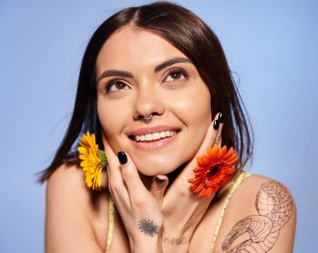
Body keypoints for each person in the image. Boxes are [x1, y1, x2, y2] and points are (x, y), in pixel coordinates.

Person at [39, 2, 296, 252]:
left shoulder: (265, 203)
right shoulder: (74, 186)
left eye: (174, 75)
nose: (145, 107)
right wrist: (161, 235)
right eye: (118, 85)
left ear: (215, 90)